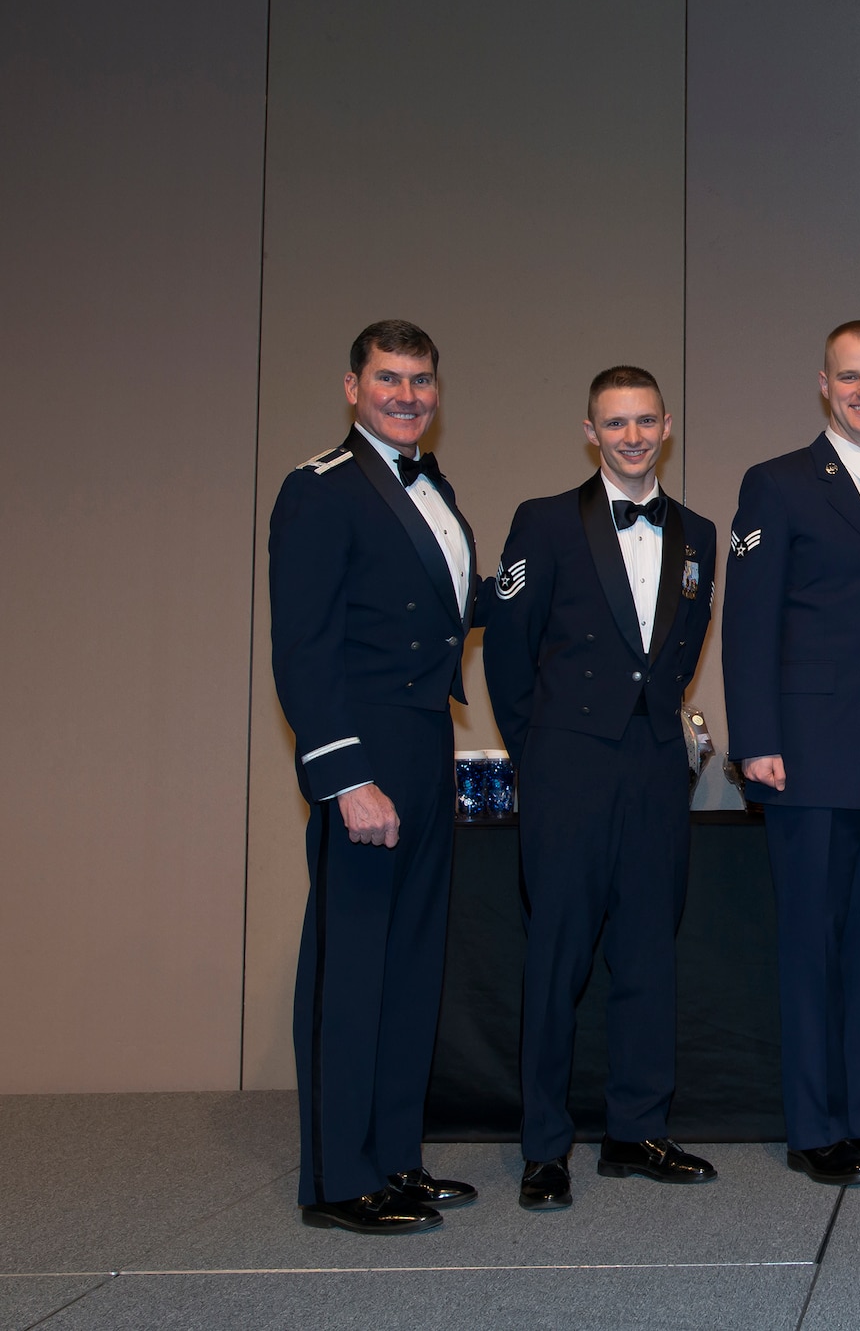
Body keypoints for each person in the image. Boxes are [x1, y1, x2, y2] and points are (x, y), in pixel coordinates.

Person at [482, 365, 719, 1210]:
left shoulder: (700, 531)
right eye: (614, 423)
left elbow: (682, 654)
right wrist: (538, 754)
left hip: (656, 768)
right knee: (556, 959)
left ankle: (637, 1129)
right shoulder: (543, 523)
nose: (631, 436)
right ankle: (546, 1146)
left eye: (644, 421)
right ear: (591, 430)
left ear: (666, 426)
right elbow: (508, 651)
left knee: (650, 951)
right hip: (569, 771)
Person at [269, 320, 479, 1233]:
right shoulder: (318, 491)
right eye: (389, 378)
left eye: (422, 379)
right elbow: (303, 650)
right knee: (349, 967)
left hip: (428, 743)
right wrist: (345, 777)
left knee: (410, 966)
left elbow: (455, 614)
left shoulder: (435, 485)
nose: (407, 394)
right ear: (352, 386)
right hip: (365, 753)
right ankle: (335, 1178)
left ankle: (397, 1157)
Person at [722, 320, 860, 1186]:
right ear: (824, 383)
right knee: (812, 947)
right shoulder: (775, 484)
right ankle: (816, 1127)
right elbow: (750, 621)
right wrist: (758, 741)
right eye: (849, 376)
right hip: (807, 759)